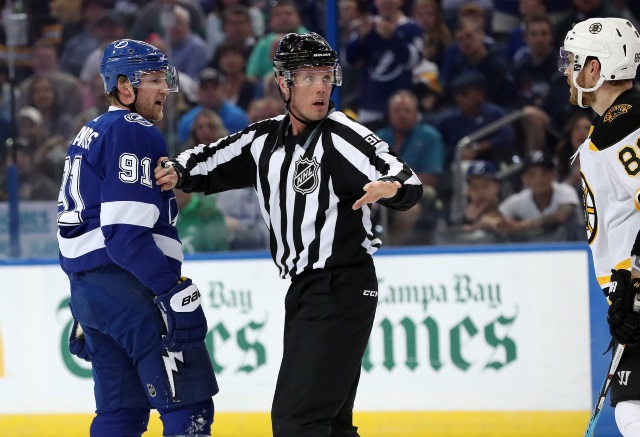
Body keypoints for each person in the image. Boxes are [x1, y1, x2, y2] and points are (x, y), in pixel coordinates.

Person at [155, 32, 423, 436]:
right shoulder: (264, 139)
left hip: (341, 286)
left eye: (326, 76)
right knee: (328, 421)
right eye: (309, 77)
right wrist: (176, 169)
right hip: (306, 290)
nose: (321, 86)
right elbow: (211, 158)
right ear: (284, 84)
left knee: (297, 420)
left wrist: (393, 189)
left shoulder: (343, 136)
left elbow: (402, 175)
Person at [56, 39, 218, 437]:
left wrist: (90, 304)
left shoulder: (88, 133)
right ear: (125, 87)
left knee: (121, 415)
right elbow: (125, 236)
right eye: (154, 80)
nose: (165, 89)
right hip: (134, 288)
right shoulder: (134, 130)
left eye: (165, 78)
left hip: (91, 294)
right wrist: (170, 291)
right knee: (189, 407)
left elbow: (83, 228)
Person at [559, 17, 640, 436]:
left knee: (631, 409)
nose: (567, 72)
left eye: (573, 62)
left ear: (596, 68)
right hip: (629, 290)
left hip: (638, 288)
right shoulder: (613, 126)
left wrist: (636, 283)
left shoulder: (624, 126)